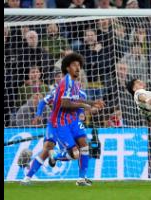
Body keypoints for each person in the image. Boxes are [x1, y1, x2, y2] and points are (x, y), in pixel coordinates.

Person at [49, 53, 105, 186]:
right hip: (61, 122)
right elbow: (65, 104)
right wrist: (84, 105)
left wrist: (91, 103)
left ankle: (82, 178)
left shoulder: (74, 84)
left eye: (79, 65)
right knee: (75, 154)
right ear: (67, 68)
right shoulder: (66, 82)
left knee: (84, 146)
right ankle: (55, 156)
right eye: (74, 65)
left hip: (73, 121)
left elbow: (76, 100)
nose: (78, 67)